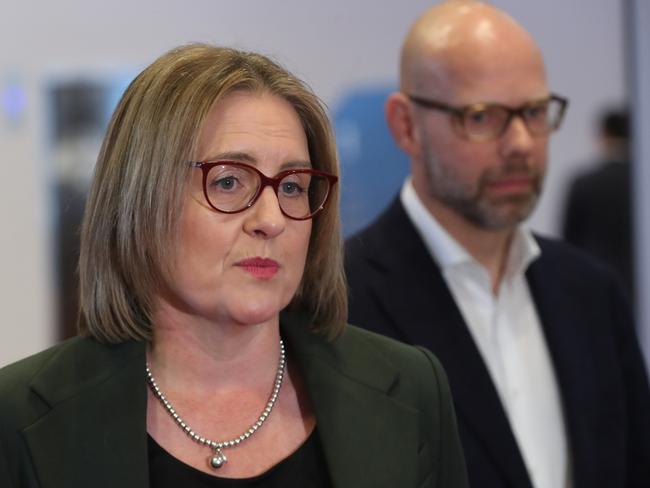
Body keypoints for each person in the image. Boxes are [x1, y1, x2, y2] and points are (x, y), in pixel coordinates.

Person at [0, 44, 469, 487]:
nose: (271, 221)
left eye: (291, 186)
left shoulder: (411, 389)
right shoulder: (20, 416)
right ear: (140, 200)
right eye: (228, 182)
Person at [345, 2, 650, 488]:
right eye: (482, 116)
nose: (521, 144)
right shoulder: (338, 303)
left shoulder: (592, 295)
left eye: (534, 111)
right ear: (406, 126)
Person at [563, 108, 633, 298]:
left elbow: (569, 242)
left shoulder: (584, 183)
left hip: (592, 282)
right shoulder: (639, 185)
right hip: (637, 280)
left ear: (604, 133)